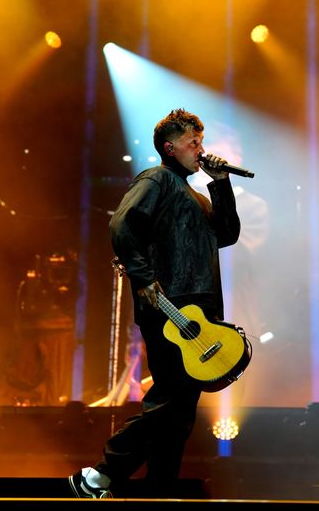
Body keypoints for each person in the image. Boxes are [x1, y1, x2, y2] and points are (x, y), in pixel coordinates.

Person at [69, 108, 242, 498]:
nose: (201, 148)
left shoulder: (195, 195)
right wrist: (143, 276)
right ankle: (101, 473)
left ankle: (158, 490)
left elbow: (227, 234)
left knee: (180, 413)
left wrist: (221, 184)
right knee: (172, 400)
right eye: (192, 142)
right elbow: (122, 224)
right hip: (169, 308)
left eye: (202, 140)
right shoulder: (157, 179)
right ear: (170, 147)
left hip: (198, 311)